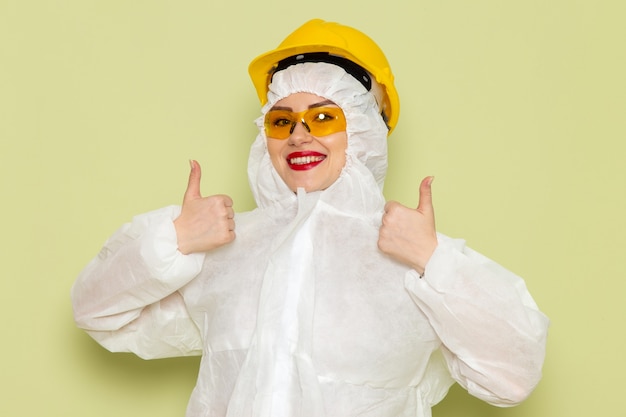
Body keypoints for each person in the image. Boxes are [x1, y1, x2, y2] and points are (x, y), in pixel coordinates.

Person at [71, 18, 549, 417]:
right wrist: (172, 242)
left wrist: (435, 261)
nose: (299, 136)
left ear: (362, 130)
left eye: (324, 118)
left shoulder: (417, 257)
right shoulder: (228, 249)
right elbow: (98, 314)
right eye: (282, 120)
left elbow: (512, 376)